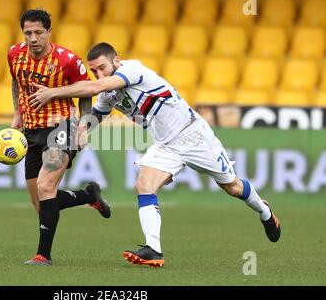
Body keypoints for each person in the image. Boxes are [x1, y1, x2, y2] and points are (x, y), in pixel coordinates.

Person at [28, 42, 281, 268]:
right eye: (94, 70)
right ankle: (154, 250)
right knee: (143, 184)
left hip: (193, 135)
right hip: (166, 145)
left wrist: (53, 92)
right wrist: (81, 132)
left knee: (233, 187)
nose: (99, 74)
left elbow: (95, 87)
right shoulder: (108, 93)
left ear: (116, 61)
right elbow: (95, 115)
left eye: (102, 67)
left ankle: (264, 212)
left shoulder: (133, 69)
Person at [8, 10, 111, 266]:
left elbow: (86, 92)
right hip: (30, 131)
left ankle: (43, 255)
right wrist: (18, 114)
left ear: (49, 32)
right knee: (40, 202)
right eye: (28, 33)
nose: (33, 38)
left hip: (61, 126)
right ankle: (89, 196)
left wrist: (85, 125)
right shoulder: (14, 54)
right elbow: (16, 83)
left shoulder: (67, 60)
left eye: (38, 33)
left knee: (45, 188)